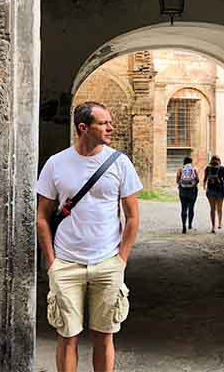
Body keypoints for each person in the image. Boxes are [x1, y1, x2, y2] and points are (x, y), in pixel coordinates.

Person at [36, 101, 143, 372]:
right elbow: (42, 217)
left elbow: (132, 217)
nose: (111, 127)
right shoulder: (56, 164)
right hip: (67, 263)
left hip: (107, 262)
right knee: (67, 336)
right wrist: (52, 262)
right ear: (83, 128)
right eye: (103, 123)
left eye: (110, 122)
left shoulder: (120, 163)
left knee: (104, 335)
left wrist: (121, 260)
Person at [203, 155, 224, 233]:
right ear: (219, 161)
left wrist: (204, 187)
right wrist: (220, 180)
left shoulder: (207, 168)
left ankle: (213, 226)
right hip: (220, 190)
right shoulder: (222, 168)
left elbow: (205, 179)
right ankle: (219, 223)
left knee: (212, 209)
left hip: (210, 190)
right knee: (219, 208)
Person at [175, 156, 199, 234]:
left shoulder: (180, 169)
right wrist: (193, 184)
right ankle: (190, 225)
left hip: (183, 191)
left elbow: (177, 180)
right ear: (191, 162)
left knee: (183, 208)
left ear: (184, 162)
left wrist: (181, 185)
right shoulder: (194, 169)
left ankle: (183, 226)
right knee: (191, 208)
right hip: (192, 191)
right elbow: (197, 180)